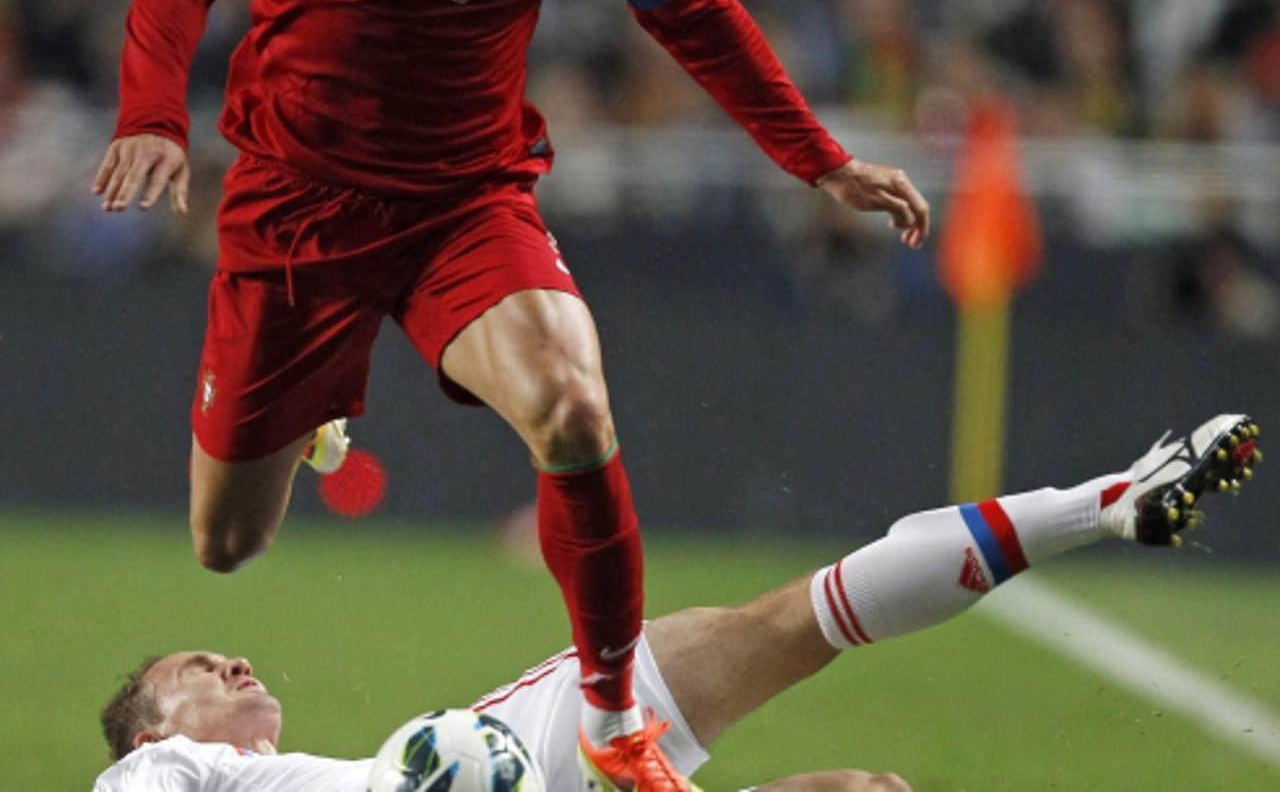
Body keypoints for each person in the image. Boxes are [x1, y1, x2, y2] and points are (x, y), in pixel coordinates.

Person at [92, 0, 930, 788]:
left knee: (571, 407)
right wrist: (152, 113)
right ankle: (311, 415)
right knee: (229, 539)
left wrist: (819, 157)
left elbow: (689, 5)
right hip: (299, 204)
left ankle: (615, 719)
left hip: (466, 201)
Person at [94, 415, 1261, 792]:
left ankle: (1103, 500)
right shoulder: (160, 773)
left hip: (520, 743)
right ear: (154, 723)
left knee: (792, 621)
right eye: (198, 664)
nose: (231, 660)